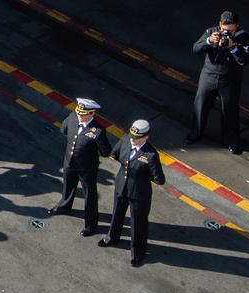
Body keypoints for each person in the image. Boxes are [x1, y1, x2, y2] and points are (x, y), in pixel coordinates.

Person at [98, 120, 165, 267]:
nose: (133, 140)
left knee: (138, 223)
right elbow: (115, 154)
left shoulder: (151, 155)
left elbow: (159, 179)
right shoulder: (126, 141)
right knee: (117, 214)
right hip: (121, 186)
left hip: (139, 193)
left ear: (146, 137)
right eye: (132, 136)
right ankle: (112, 237)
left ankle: (138, 253)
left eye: (137, 138)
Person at [186, 10, 249, 154]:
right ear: (220, 25)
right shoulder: (211, 32)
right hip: (209, 77)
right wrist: (209, 41)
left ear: (237, 26)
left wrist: (233, 47)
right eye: (224, 30)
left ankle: (232, 141)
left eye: (231, 31)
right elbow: (196, 49)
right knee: (200, 105)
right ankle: (195, 132)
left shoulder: (244, 38)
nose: (227, 34)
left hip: (230, 81)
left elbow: (245, 60)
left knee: (230, 110)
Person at [47, 98, 113, 236]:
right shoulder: (72, 117)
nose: (80, 116)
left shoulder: (98, 131)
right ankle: (64, 207)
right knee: (68, 186)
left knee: (89, 195)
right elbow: (63, 129)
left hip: (87, 168)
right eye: (79, 113)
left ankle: (91, 223)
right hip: (69, 162)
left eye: (83, 115)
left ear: (92, 114)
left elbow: (106, 152)